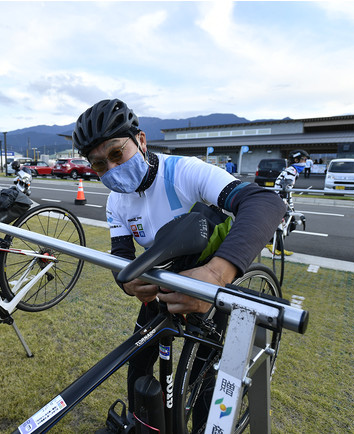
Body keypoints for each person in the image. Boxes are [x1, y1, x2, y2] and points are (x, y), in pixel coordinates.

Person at [72, 99, 285, 427]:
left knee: (203, 376)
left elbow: (265, 203)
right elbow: (121, 256)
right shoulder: (115, 200)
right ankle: (142, 424)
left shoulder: (183, 171)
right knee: (138, 362)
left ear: (141, 141)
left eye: (117, 154)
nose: (111, 170)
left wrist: (215, 274)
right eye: (99, 165)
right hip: (163, 284)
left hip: (211, 278)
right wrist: (126, 279)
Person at [267, 149, 309, 255]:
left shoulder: (292, 170)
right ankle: (272, 244)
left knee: (289, 224)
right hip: (282, 200)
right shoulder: (292, 170)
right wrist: (285, 203)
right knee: (285, 224)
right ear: (296, 159)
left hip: (284, 200)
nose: (305, 162)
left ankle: (277, 247)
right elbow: (285, 186)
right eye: (303, 159)